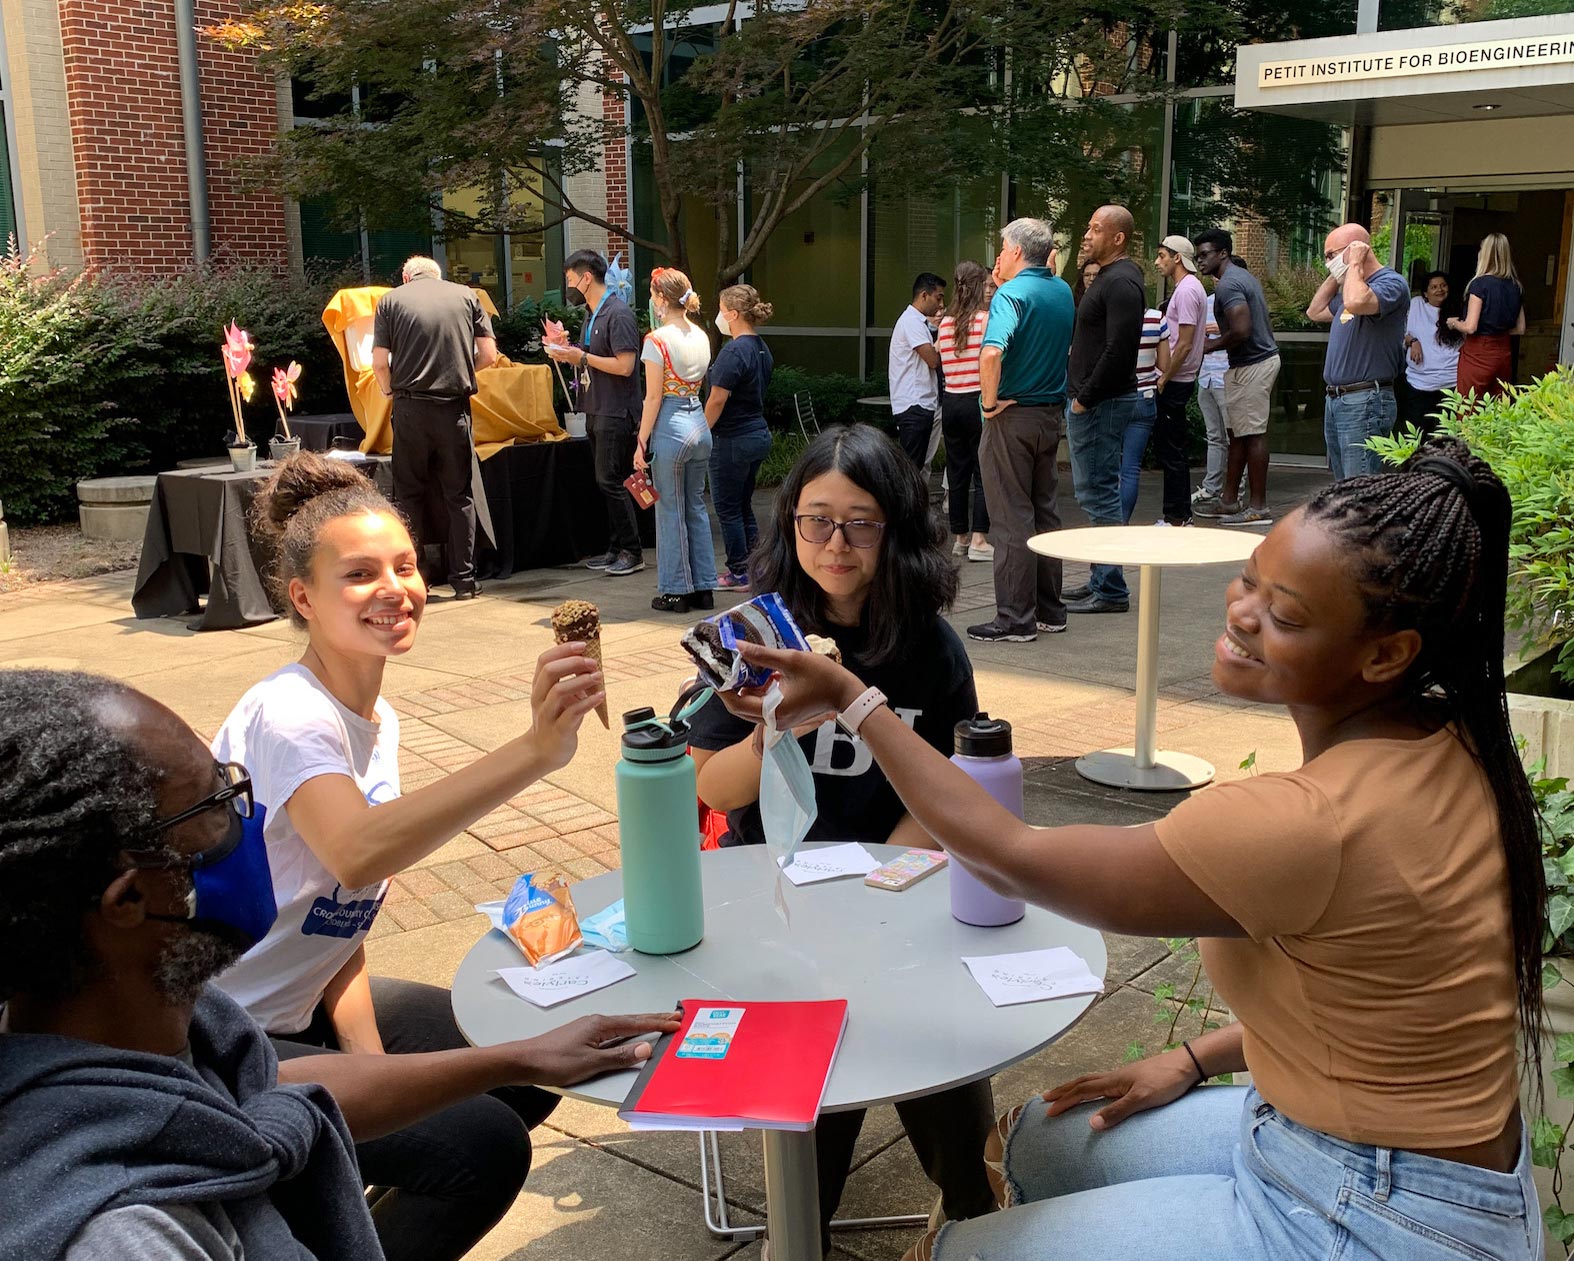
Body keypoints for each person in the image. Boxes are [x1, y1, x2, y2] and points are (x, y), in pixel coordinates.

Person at [732, 435, 1546, 1261]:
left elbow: (1014, 853)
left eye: (1286, 614)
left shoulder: (1305, 820)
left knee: (951, 1252)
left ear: (1387, 653)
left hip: (1373, 1214)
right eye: (1250, 580)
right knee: (1031, 1141)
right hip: (1361, 1148)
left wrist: (851, 697)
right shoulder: (1454, 742)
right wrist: (1197, 1056)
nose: (1241, 613)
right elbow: (1371, 1002)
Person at [0, 668, 678, 1261]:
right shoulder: (130, 1232)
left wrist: (520, 1057)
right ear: (133, 899)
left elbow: (274, 1087)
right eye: (218, 804)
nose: (253, 818)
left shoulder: (160, 1025)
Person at [209, 453, 613, 1261]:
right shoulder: (291, 715)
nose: (394, 588)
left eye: (404, 565)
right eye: (358, 575)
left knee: (518, 1048)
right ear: (302, 598)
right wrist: (534, 751)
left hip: (305, 1005)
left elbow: (331, 923)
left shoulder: (375, 718)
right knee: (485, 1148)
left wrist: (371, 1064)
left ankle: (330, 1215)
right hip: (218, 1041)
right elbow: (357, 856)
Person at [687, 423, 993, 1257]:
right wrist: (771, 728)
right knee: (816, 1049)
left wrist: (880, 893)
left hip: (892, 891)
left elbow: (939, 794)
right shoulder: (755, 637)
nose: (835, 542)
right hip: (776, 900)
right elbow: (708, 787)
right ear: (789, 525)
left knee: (928, 1033)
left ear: (895, 528)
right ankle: (800, 1229)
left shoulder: (931, 648)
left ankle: (975, 1206)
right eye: (815, 519)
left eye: (859, 522)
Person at [968, 218, 1076, 644]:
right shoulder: (1062, 290)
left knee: (1011, 518)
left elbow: (992, 353)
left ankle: (1015, 618)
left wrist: (989, 404)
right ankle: (1050, 609)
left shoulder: (1012, 295)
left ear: (1015, 251)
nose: (997, 256)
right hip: (1050, 415)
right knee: (1045, 511)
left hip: (1011, 417)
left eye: (1001, 247)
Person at [371, 255, 496, 600]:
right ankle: (464, 581)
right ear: (438, 276)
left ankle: (417, 578)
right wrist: (461, 372)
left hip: (410, 408)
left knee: (409, 495)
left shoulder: (390, 301)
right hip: (453, 409)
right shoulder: (467, 296)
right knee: (460, 495)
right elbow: (489, 354)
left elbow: (380, 362)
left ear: (406, 277)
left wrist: (389, 389)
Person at [1066, 205, 1148, 613]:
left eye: (1096, 229)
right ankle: (1101, 577)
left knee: (1099, 495)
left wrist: (1085, 397)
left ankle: (1111, 589)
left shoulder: (1121, 283)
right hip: (1096, 401)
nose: (1087, 234)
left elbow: (1119, 350)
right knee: (1096, 494)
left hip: (1101, 403)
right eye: (1088, 226)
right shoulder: (1112, 279)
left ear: (1118, 238)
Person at [547, 250, 645, 576]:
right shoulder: (592, 314)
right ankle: (616, 547)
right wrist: (569, 349)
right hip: (596, 407)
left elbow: (626, 365)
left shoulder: (617, 314)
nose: (569, 286)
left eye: (571, 279)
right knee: (605, 481)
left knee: (610, 480)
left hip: (615, 410)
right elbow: (590, 355)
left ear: (586, 277)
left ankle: (632, 550)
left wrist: (581, 358)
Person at [635, 266, 718, 613]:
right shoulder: (701, 335)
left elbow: (653, 398)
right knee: (696, 506)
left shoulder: (656, 341)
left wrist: (640, 444)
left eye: (653, 295)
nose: (652, 301)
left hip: (671, 425)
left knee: (670, 511)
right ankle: (704, 588)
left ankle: (675, 591)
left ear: (662, 299)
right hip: (699, 423)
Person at [1306, 223, 1411, 481]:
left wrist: (1352, 264)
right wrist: (1337, 272)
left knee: (1359, 487)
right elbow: (1315, 311)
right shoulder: (1352, 285)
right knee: (1343, 487)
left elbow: (1356, 302)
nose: (1327, 261)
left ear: (1356, 249)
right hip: (1338, 398)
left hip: (1365, 399)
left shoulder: (1390, 283)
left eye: (1331, 255)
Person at [1194, 229, 1280, 525]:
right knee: (1239, 435)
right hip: (1248, 364)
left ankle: (1258, 507)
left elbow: (1242, 330)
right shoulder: (1238, 279)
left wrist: (1208, 346)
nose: (1200, 261)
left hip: (1254, 364)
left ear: (1223, 254)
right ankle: (1229, 501)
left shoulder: (1229, 284)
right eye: (1197, 256)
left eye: (1205, 254)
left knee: (1253, 434)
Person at [706, 283, 776, 591]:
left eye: (721, 310)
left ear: (733, 314)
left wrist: (700, 430)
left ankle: (738, 570)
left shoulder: (733, 351)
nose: (719, 316)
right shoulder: (761, 348)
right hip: (756, 433)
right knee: (743, 504)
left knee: (728, 508)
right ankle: (755, 566)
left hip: (732, 438)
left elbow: (717, 399)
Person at [938, 260, 994, 562]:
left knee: (956, 473)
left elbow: (940, 357)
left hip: (951, 402)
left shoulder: (944, 323)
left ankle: (959, 538)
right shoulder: (985, 320)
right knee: (983, 472)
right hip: (976, 402)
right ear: (977, 286)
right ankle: (979, 540)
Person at [1154, 236, 1208, 526]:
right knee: (1172, 447)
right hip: (1180, 377)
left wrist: (1165, 377)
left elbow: (1184, 343)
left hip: (1177, 379)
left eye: (1162, 255)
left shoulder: (1187, 290)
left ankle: (1176, 516)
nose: (1157, 261)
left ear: (1177, 258)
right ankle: (1178, 514)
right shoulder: (1189, 288)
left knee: (1172, 449)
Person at [1449, 232, 1525, 399]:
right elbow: (1520, 328)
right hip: (1504, 353)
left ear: (1486, 254)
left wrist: (1454, 323)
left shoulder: (1479, 285)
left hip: (1478, 352)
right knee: (1498, 407)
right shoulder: (1516, 286)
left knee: (1468, 407)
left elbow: (1470, 326)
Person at [889, 272, 947, 471]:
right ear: (924, 295)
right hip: (914, 404)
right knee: (912, 469)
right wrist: (944, 342)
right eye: (938, 297)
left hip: (918, 404)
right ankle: (907, 503)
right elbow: (932, 360)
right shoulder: (911, 322)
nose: (940, 304)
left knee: (916, 466)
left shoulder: (917, 321)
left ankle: (913, 502)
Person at [1119, 303, 1169, 524]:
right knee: (1130, 468)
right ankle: (1122, 522)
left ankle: (1107, 524)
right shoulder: (1157, 319)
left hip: (1115, 397)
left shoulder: (1113, 316)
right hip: (1144, 396)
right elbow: (1165, 363)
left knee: (1110, 467)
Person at [1403, 271, 1464, 430]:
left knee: (1448, 434)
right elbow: (1401, 333)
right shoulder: (1416, 305)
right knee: (1418, 434)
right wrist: (1413, 341)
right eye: (1434, 287)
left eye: (1443, 286)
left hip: (1451, 382)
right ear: (1425, 293)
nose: (1439, 290)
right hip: (1419, 383)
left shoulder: (1459, 310)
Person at [1191, 294, 1233, 512]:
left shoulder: (1238, 300)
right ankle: (1211, 487)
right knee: (1214, 437)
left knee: (1234, 437)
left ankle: (1237, 490)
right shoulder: (1207, 301)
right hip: (1206, 376)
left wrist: (1221, 328)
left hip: (1227, 376)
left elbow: (1245, 329)